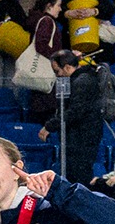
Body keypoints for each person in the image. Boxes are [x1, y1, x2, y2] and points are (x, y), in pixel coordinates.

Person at [38, 49, 107, 179]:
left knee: (79, 176)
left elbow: (75, 111)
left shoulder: (82, 82)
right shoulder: (81, 79)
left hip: (82, 139)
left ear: (68, 67)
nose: (57, 75)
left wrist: (50, 126)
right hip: (79, 137)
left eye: (57, 71)